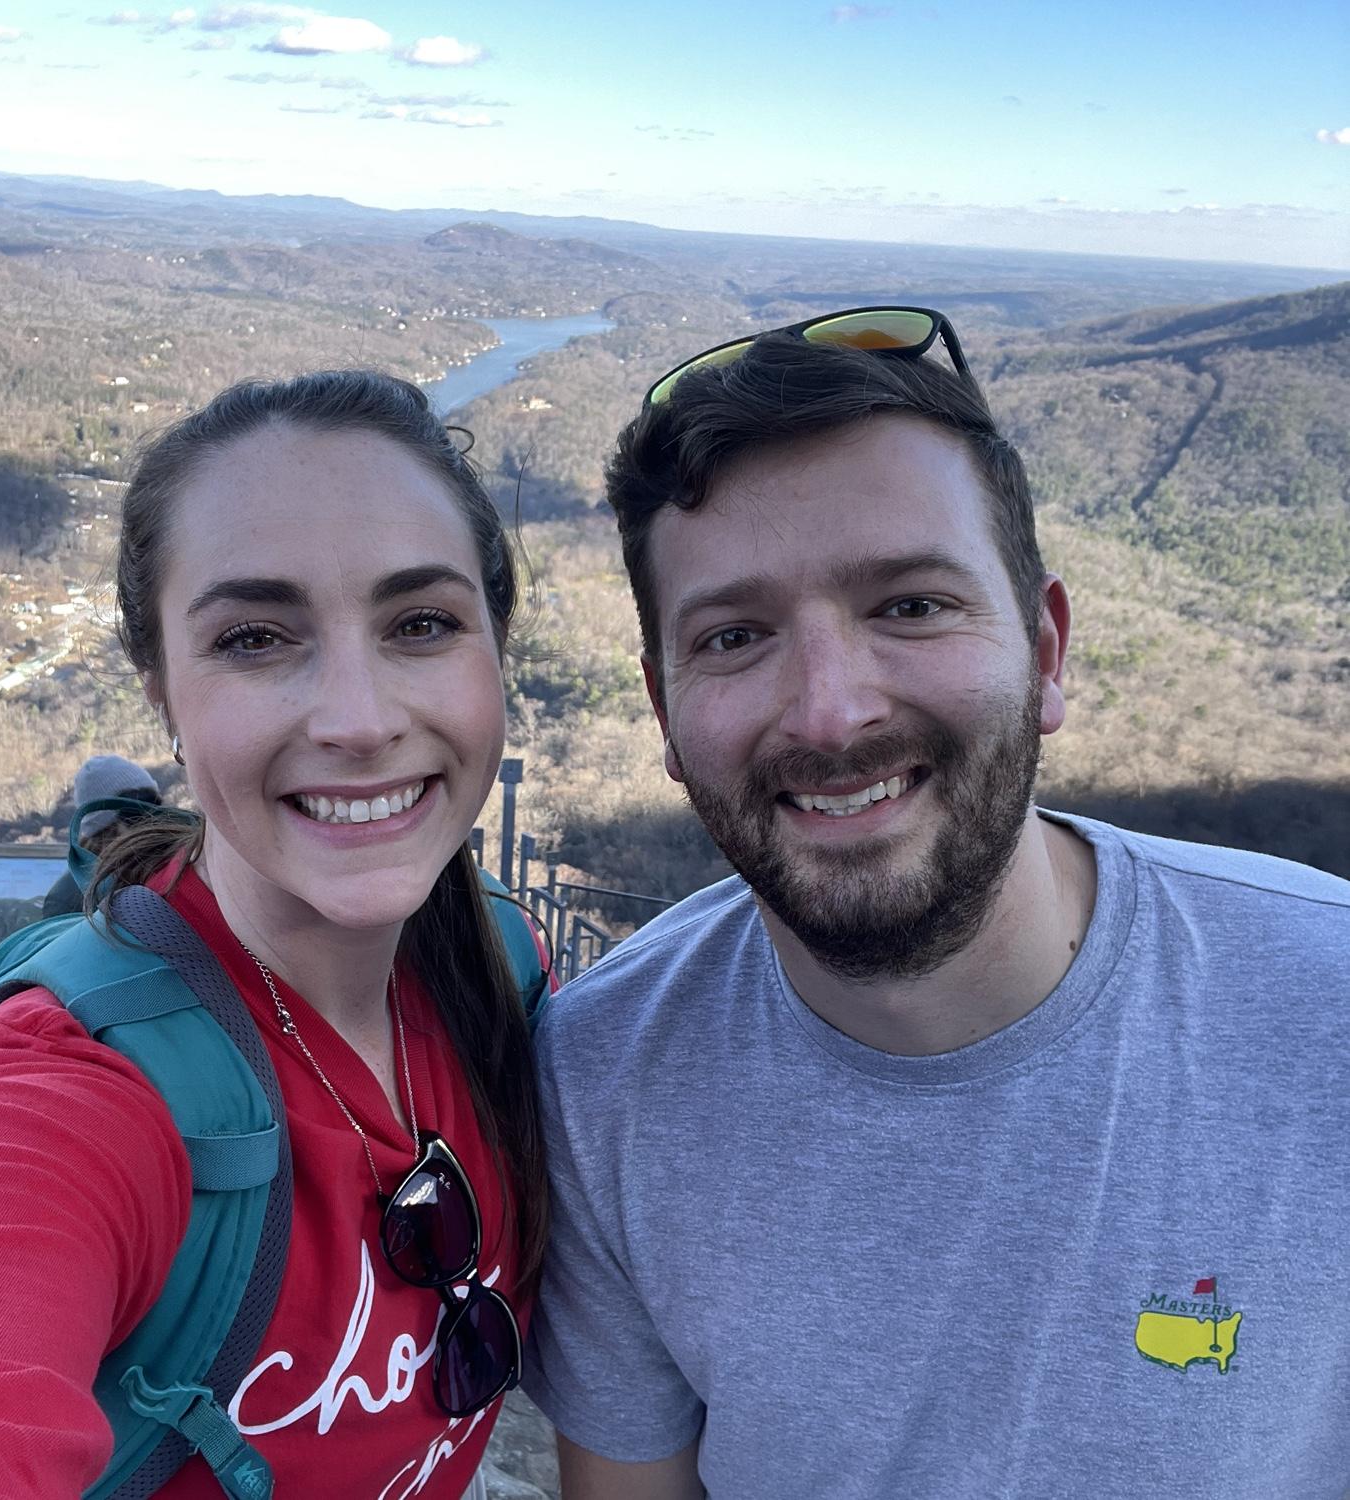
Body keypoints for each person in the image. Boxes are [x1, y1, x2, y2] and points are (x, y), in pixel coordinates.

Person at [521, 309, 1350, 1497]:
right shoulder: (602, 1078)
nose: (829, 711)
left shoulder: (1328, 1017)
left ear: (1047, 650)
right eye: (737, 634)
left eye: (910, 605)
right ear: (662, 712)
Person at [0, 369, 547, 1498]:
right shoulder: (63, 1098)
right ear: (160, 688)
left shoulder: (505, 974)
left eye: (422, 623)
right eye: (257, 639)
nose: (360, 720)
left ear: (494, 653)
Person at [41, 752, 164, 916]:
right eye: (135, 814)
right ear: (104, 828)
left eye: (155, 806)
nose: (152, 822)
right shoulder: (71, 900)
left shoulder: (170, 867)